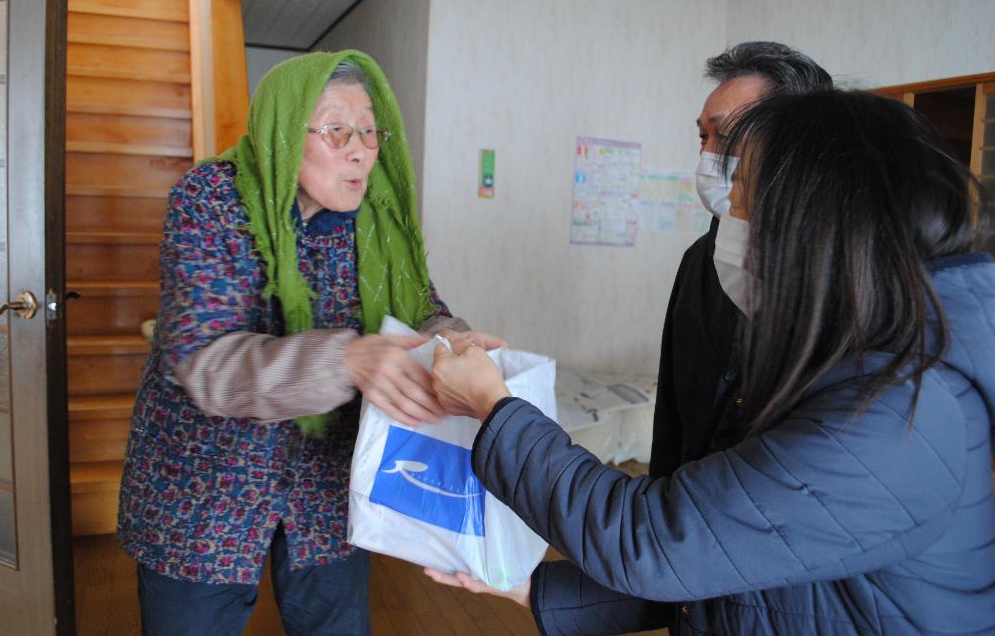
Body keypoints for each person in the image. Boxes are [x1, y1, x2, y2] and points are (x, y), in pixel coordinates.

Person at [428, 90, 995, 634]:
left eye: (742, 200)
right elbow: (725, 551)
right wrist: (535, 589)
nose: (729, 219)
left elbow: (655, 537)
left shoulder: (901, 416)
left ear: (815, 229)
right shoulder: (847, 364)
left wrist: (493, 405)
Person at [117, 50, 502, 635]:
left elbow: (422, 312)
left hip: (325, 485)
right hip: (206, 487)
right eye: (337, 130)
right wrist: (347, 358)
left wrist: (452, 340)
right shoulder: (212, 199)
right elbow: (206, 361)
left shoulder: (378, 219)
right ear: (282, 129)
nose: (361, 150)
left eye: (370, 131)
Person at [652, 41, 832, 481]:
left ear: (798, 145)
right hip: (692, 501)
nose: (707, 156)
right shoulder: (700, 260)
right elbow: (672, 413)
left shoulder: (844, 275)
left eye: (728, 136)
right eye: (703, 137)